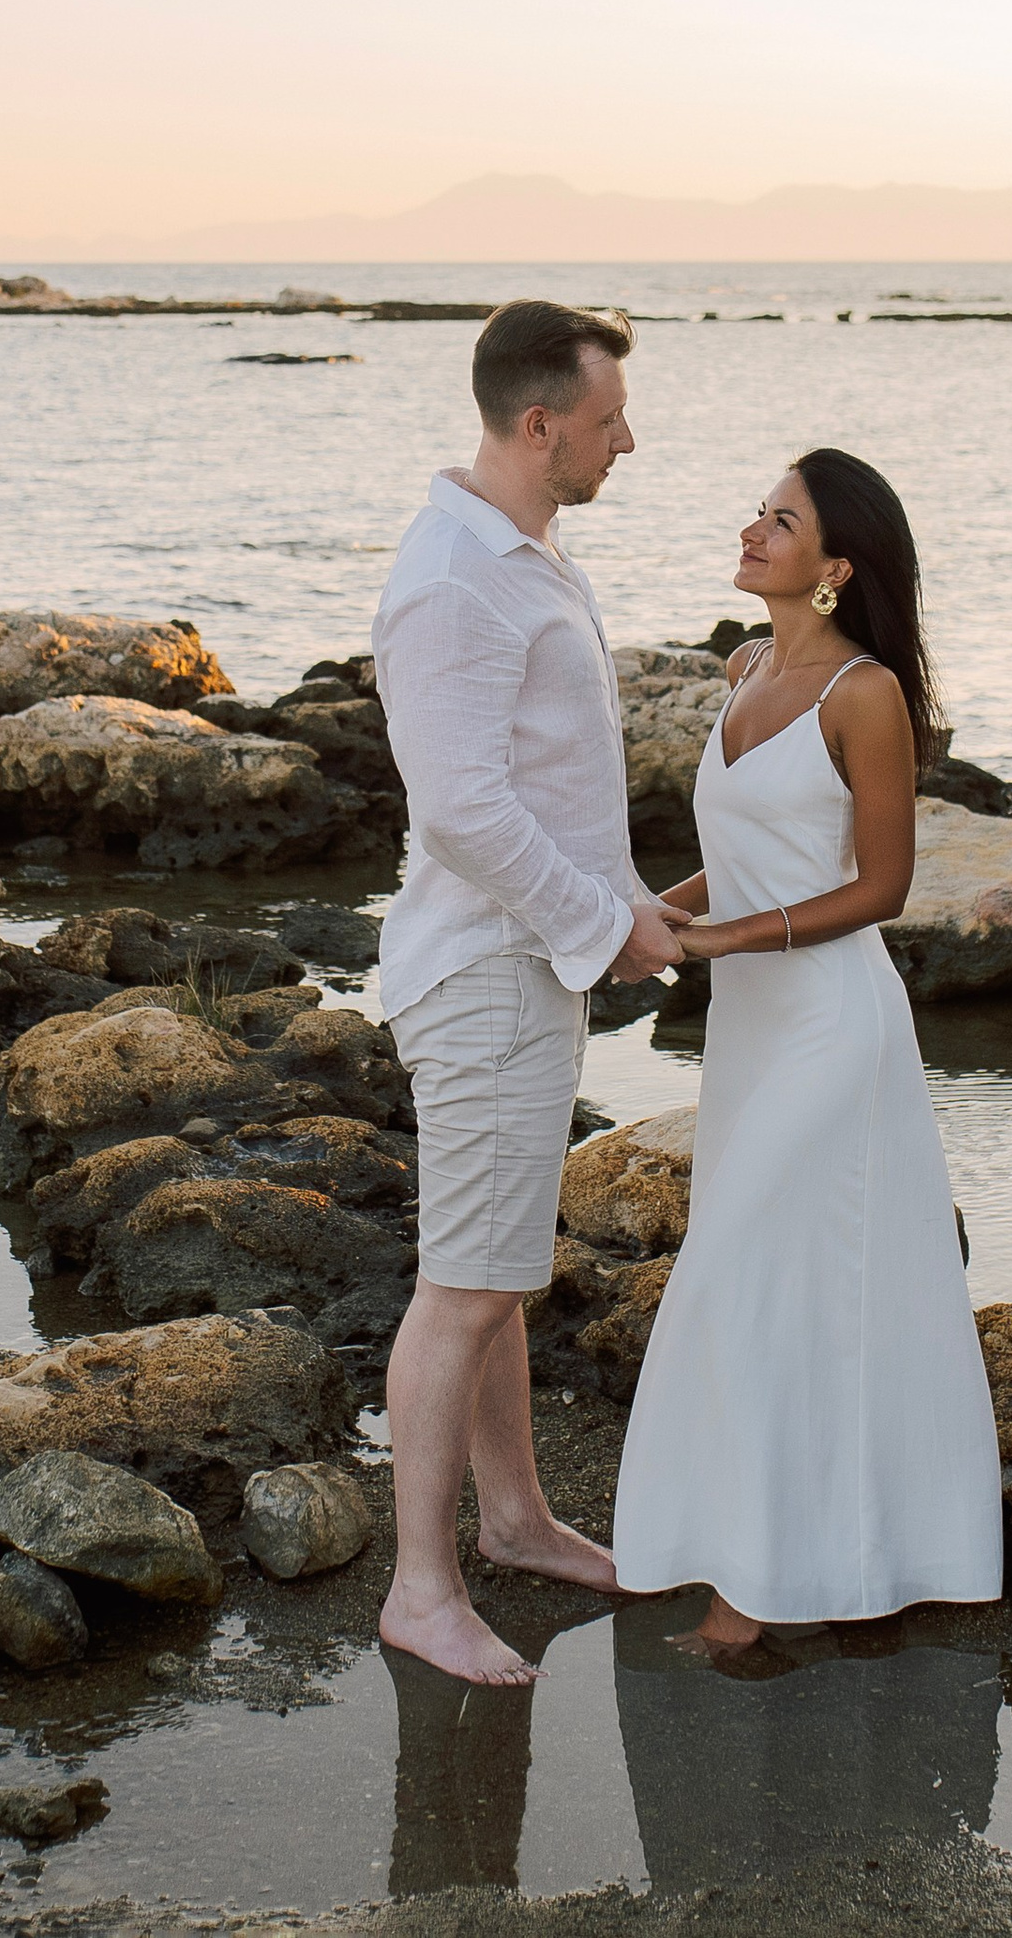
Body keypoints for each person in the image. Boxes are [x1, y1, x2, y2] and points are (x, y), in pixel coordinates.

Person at [611, 447, 1003, 1647]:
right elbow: (735, 856)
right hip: (748, 1032)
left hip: (834, 1026)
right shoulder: (741, 669)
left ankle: (750, 1595)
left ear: (835, 567)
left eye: (779, 520)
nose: (752, 528)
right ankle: (807, 1546)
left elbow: (881, 887)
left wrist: (718, 938)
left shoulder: (864, 695)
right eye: (757, 509)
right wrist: (644, 913)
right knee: (798, 1289)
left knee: (746, 1271)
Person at [372, 297, 682, 1687]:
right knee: (461, 1288)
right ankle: (421, 1590)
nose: (630, 439)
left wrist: (625, 905)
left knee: (495, 1274)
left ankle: (516, 1519)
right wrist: (594, 927)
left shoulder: (526, 553)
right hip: (490, 974)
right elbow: (460, 812)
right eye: (610, 419)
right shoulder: (455, 577)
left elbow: (548, 778)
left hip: (523, 962)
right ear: (540, 422)